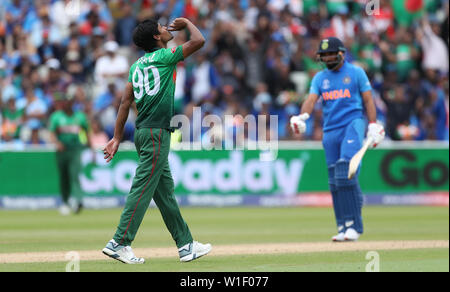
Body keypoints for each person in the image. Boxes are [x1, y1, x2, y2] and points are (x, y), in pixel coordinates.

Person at [102, 18, 212, 264]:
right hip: (155, 133)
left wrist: (117, 137)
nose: (166, 29)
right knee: (142, 188)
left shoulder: (135, 66)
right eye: (162, 27)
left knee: (165, 194)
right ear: (156, 37)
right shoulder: (165, 56)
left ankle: (186, 245)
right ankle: (119, 242)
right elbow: (199, 41)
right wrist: (186, 23)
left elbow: (125, 103)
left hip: (143, 133)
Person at [290, 37, 385, 242]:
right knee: (335, 181)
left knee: (344, 172)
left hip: (352, 124)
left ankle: (354, 226)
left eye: (331, 54)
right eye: (324, 55)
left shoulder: (356, 72)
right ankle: (342, 226)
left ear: (341, 53)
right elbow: (311, 100)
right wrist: (302, 116)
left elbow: (368, 99)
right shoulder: (319, 78)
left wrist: (373, 123)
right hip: (330, 130)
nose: (327, 58)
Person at [49, 92, 92, 215]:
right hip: (61, 151)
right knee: (64, 177)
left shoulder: (80, 116)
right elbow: (51, 133)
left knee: (75, 174)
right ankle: (65, 201)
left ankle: (78, 200)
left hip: (75, 149)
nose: (67, 104)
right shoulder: (56, 117)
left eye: (70, 101)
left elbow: (86, 132)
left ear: (73, 103)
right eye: (65, 101)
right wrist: (57, 143)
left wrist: (91, 147)